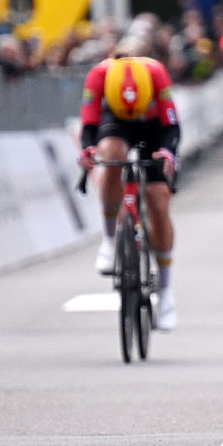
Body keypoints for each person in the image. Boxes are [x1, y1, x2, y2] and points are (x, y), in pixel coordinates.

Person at [77, 37, 182, 331]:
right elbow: (89, 124)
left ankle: (165, 291)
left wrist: (168, 153)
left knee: (158, 200)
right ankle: (110, 240)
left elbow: (172, 125)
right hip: (116, 124)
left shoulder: (156, 73)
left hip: (153, 128)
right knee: (111, 155)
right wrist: (88, 150)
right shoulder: (99, 75)